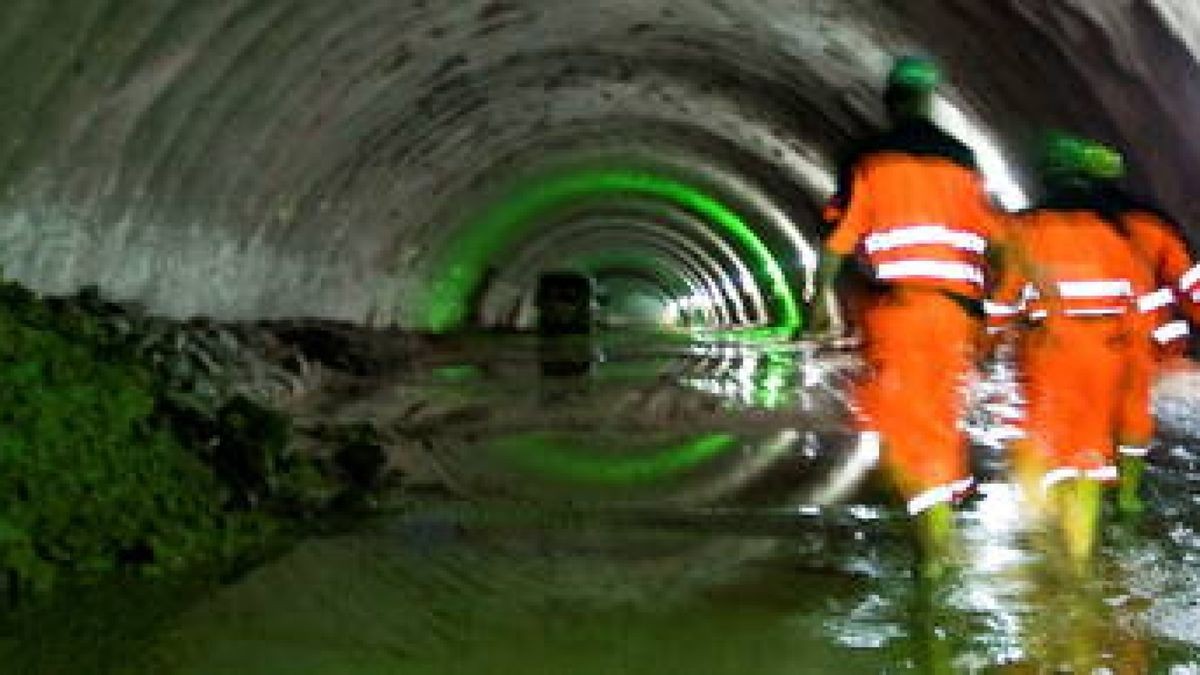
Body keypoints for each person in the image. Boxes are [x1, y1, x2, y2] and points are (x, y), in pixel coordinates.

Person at [809, 56, 1003, 576]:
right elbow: (998, 242)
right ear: (929, 101)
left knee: (901, 422)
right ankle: (940, 505)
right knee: (935, 414)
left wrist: (820, 298)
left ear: (891, 104)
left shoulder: (870, 163)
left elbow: (838, 239)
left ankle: (935, 547)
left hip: (900, 311)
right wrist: (994, 313)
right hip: (956, 313)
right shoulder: (963, 160)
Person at [987, 133, 1154, 570]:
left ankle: (1047, 541)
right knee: (1089, 455)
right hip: (1103, 355)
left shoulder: (1027, 231)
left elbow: (1005, 299)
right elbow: (1137, 310)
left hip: (1050, 351)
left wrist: (988, 338)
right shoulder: (1115, 237)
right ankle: (1079, 560)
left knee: (1047, 447)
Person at [1083, 143, 1199, 515]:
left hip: (1090, 335)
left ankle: (1090, 490)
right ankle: (1127, 495)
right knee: (1133, 415)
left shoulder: (1079, 222)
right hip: (1141, 337)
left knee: (1090, 412)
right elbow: (1188, 282)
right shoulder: (1152, 225)